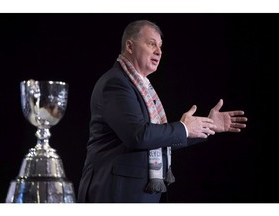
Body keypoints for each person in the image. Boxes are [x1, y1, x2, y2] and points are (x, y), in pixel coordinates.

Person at [77, 20, 247, 203]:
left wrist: (207, 126)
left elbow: (160, 139)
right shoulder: (116, 83)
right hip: (115, 193)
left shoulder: (143, 87)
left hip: (141, 194)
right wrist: (183, 128)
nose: (159, 51)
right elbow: (138, 135)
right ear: (129, 46)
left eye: (160, 46)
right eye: (151, 44)